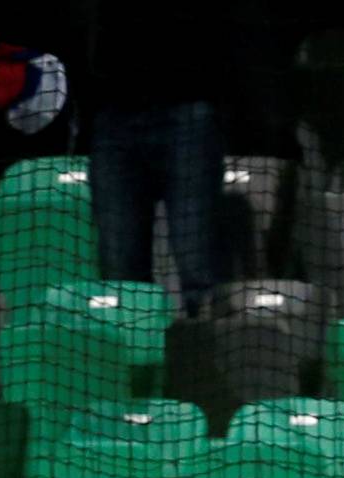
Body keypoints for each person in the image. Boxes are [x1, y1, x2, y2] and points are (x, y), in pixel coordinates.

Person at [81, 0, 225, 315]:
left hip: (187, 108)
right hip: (114, 114)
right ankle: (136, 359)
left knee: (197, 265)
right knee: (120, 272)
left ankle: (206, 356)